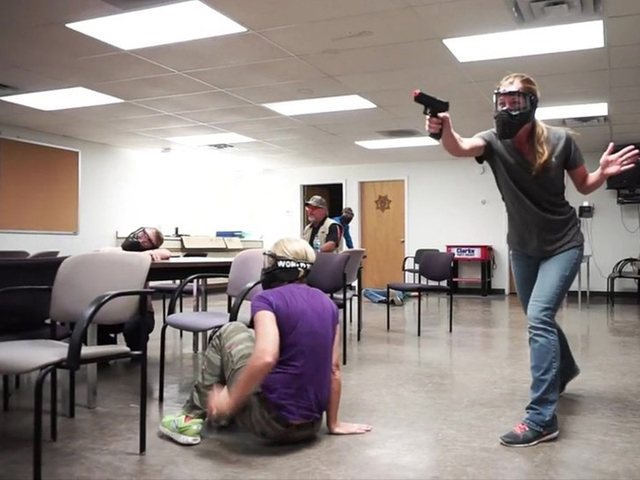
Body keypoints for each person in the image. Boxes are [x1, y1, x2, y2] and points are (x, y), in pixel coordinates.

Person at [427, 73, 639, 447]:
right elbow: (459, 146)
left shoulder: (560, 140)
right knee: (536, 315)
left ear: (532, 103)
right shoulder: (492, 142)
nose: (508, 107)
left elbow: (584, 185)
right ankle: (566, 368)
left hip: (563, 243)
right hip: (523, 247)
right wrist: (443, 127)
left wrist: (602, 174)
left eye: (516, 100)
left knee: (539, 317)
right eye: (502, 100)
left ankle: (542, 418)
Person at [159, 237, 371, 445]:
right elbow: (334, 369)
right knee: (252, 336)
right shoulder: (328, 304)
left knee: (231, 330)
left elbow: (266, 357)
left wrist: (229, 402)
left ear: (281, 265)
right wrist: (333, 424)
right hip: (311, 427)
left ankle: (190, 418)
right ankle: (221, 415)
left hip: (270, 423)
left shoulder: (266, 299)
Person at [98, 227, 171, 350]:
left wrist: (146, 254)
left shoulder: (149, 256)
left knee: (134, 330)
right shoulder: (119, 251)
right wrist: (141, 254)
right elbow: (103, 251)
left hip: (139, 312)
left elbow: (167, 253)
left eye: (147, 241)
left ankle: (136, 351)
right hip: (111, 309)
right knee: (79, 323)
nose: (140, 238)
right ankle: (108, 348)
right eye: (143, 234)